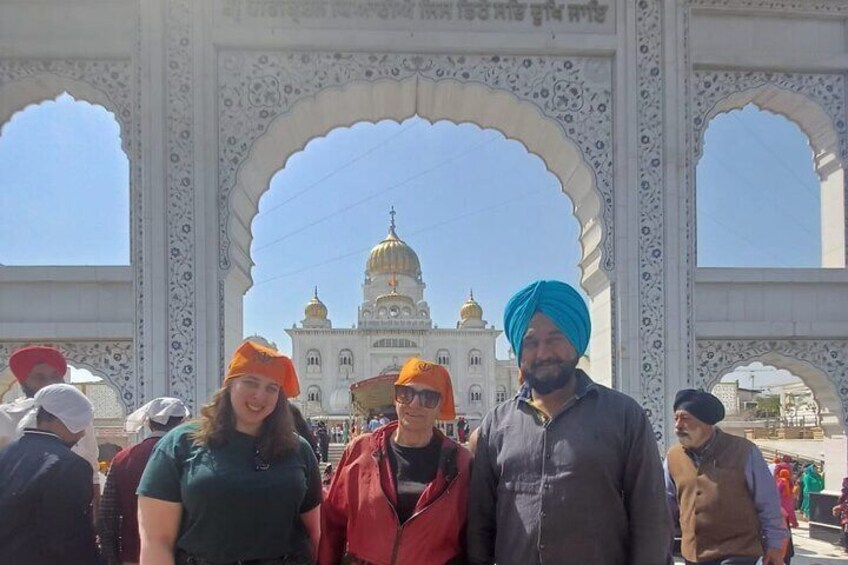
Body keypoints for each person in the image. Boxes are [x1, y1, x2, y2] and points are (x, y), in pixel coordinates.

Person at [467, 279, 672, 565]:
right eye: (530, 342)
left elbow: (650, 518)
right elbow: (480, 523)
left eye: (555, 338)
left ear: (576, 341)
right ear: (518, 349)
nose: (543, 353)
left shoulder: (624, 417)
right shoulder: (496, 425)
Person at [137, 340, 322, 565]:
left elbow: (315, 533)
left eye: (271, 388)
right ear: (230, 385)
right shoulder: (180, 445)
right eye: (250, 382)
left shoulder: (297, 449)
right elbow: (157, 541)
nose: (259, 396)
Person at [320, 357, 472, 565]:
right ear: (395, 398)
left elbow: (472, 537)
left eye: (428, 397)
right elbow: (332, 525)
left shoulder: (461, 464)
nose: (415, 403)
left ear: (441, 406)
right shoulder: (360, 452)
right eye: (406, 393)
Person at [665, 389, 787, 565]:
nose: (677, 425)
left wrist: (774, 546)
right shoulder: (673, 457)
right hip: (694, 555)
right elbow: (666, 505)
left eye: (685, 419)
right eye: (676, 419)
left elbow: (768, 503)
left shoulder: (744, 451)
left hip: (738, 551)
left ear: (705, 422)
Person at [0, 383, 99, 564]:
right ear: (61, 419)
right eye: (79, 424)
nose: (82, 433)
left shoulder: (4, 455)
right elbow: (71, 536)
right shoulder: (70, 465)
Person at [99, 397, 190, 565]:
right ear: (183, 422)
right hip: (182, 557)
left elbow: (107, 515)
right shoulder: (190, 457)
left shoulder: (122, 459)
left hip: (133, 555)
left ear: (148, 423)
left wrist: (111, 558)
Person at [0, 346, 100, 496]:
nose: (49, 383)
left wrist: (96, 516)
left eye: (55, 376)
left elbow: (92, 472)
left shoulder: (75, 416)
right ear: (23, 383)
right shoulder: (4, 416)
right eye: (39, 378)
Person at [832, 477, 848, 554]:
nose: (843, 484)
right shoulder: (845, 491)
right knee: (845, 530)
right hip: (844, 514)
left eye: (845, 482)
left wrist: (838, 507)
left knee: (846, 530)